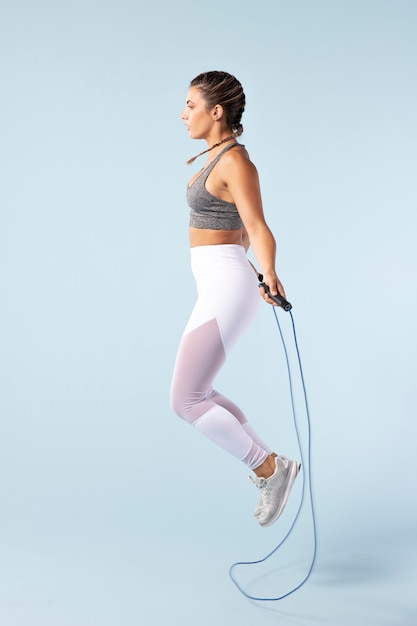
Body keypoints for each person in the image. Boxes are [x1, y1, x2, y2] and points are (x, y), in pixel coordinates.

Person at [170, 71, 300, 528]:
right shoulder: (216, 157)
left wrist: (269, 274)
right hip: (220, 280)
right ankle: (271, 467)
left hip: (229, 283)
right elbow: (239, 230)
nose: (183, 113)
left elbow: (258, 226)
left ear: (216, 111)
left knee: (185, 399)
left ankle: (269, 467)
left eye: (190, 104)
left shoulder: (235, 162)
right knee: (198, 392)